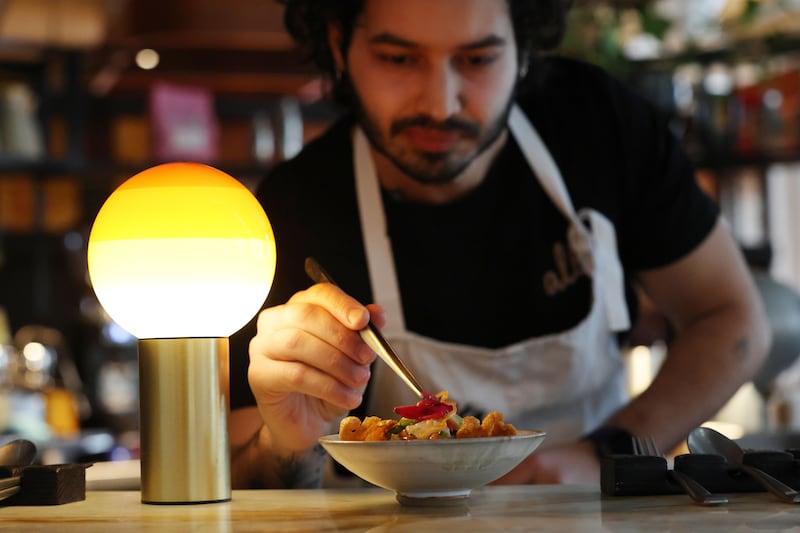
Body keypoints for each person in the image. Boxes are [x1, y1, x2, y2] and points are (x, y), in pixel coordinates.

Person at [227, 0, 771, 488]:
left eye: (478, 59)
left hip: (599, 507)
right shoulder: (296, 208)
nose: (440, 104)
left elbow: (731, 319)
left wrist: (612, 452)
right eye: (398, 58)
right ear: (337, 46)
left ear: (523, 50)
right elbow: (252, 476)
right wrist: (287, 442)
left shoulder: (597, 124)